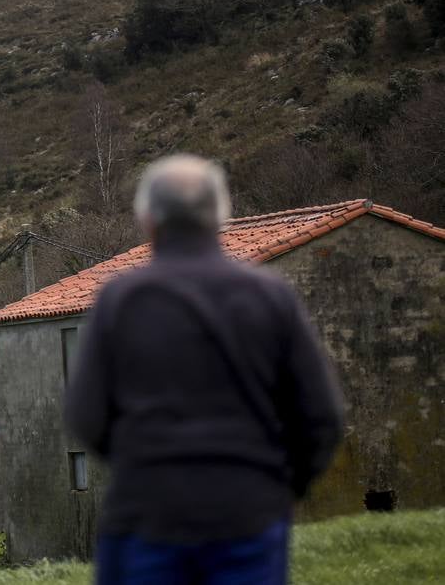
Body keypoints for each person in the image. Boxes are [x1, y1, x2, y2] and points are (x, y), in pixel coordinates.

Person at [65, 155, 345, 585]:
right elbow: (321, 418)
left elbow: (86, 415)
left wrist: (141, 467)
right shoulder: (270, 296)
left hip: (147, 513)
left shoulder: (121, 300)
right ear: (222, 216)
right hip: (247, 512)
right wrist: (278, 489)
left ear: (146, 218)